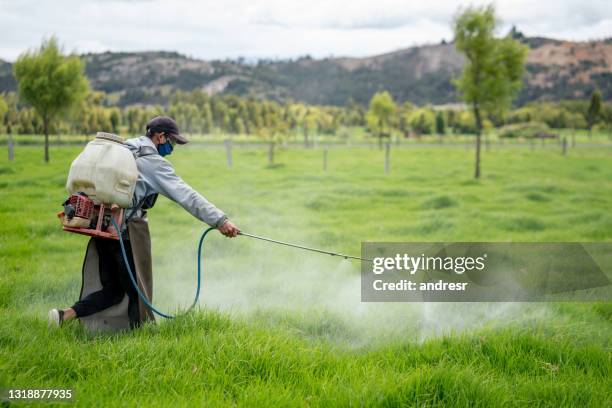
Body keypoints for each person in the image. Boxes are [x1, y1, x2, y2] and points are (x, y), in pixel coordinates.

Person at [48, 116, 240, 331]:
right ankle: (143, 337)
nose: (172, 147)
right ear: (160, 137)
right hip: (127, 232)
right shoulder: (153, 162)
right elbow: (187, 195)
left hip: (101, 227)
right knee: (139, 292)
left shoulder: (123, 150)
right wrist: (220, 220)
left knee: (114, 290)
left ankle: (64, 315)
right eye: (172, 142)